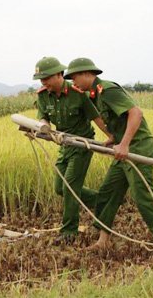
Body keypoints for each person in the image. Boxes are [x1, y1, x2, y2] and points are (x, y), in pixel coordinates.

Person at [64, 57, 153, 250]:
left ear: (86, 73)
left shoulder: (107, 90)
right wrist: (115, 138)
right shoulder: (94, 95)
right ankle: (103, 241)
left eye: (74, 78)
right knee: (108, 192)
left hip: (138, 146)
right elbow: (119, 120)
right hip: (124, 146)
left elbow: (136, 113)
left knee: (142, 195)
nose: (73, 83)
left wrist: (124, 144)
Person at [33, 57, 112, 243]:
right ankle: (103, 202)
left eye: (46, 79)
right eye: (41, 80)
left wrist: (113, 138)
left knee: (70, 187)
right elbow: (43, 117)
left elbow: (97, 117)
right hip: (65, 146)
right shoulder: (43, 95)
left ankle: (69, 232)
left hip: (82, 145)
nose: (43, 83)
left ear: (59, 75)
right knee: (60, 188)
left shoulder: (79, 94)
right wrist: (44, 127)